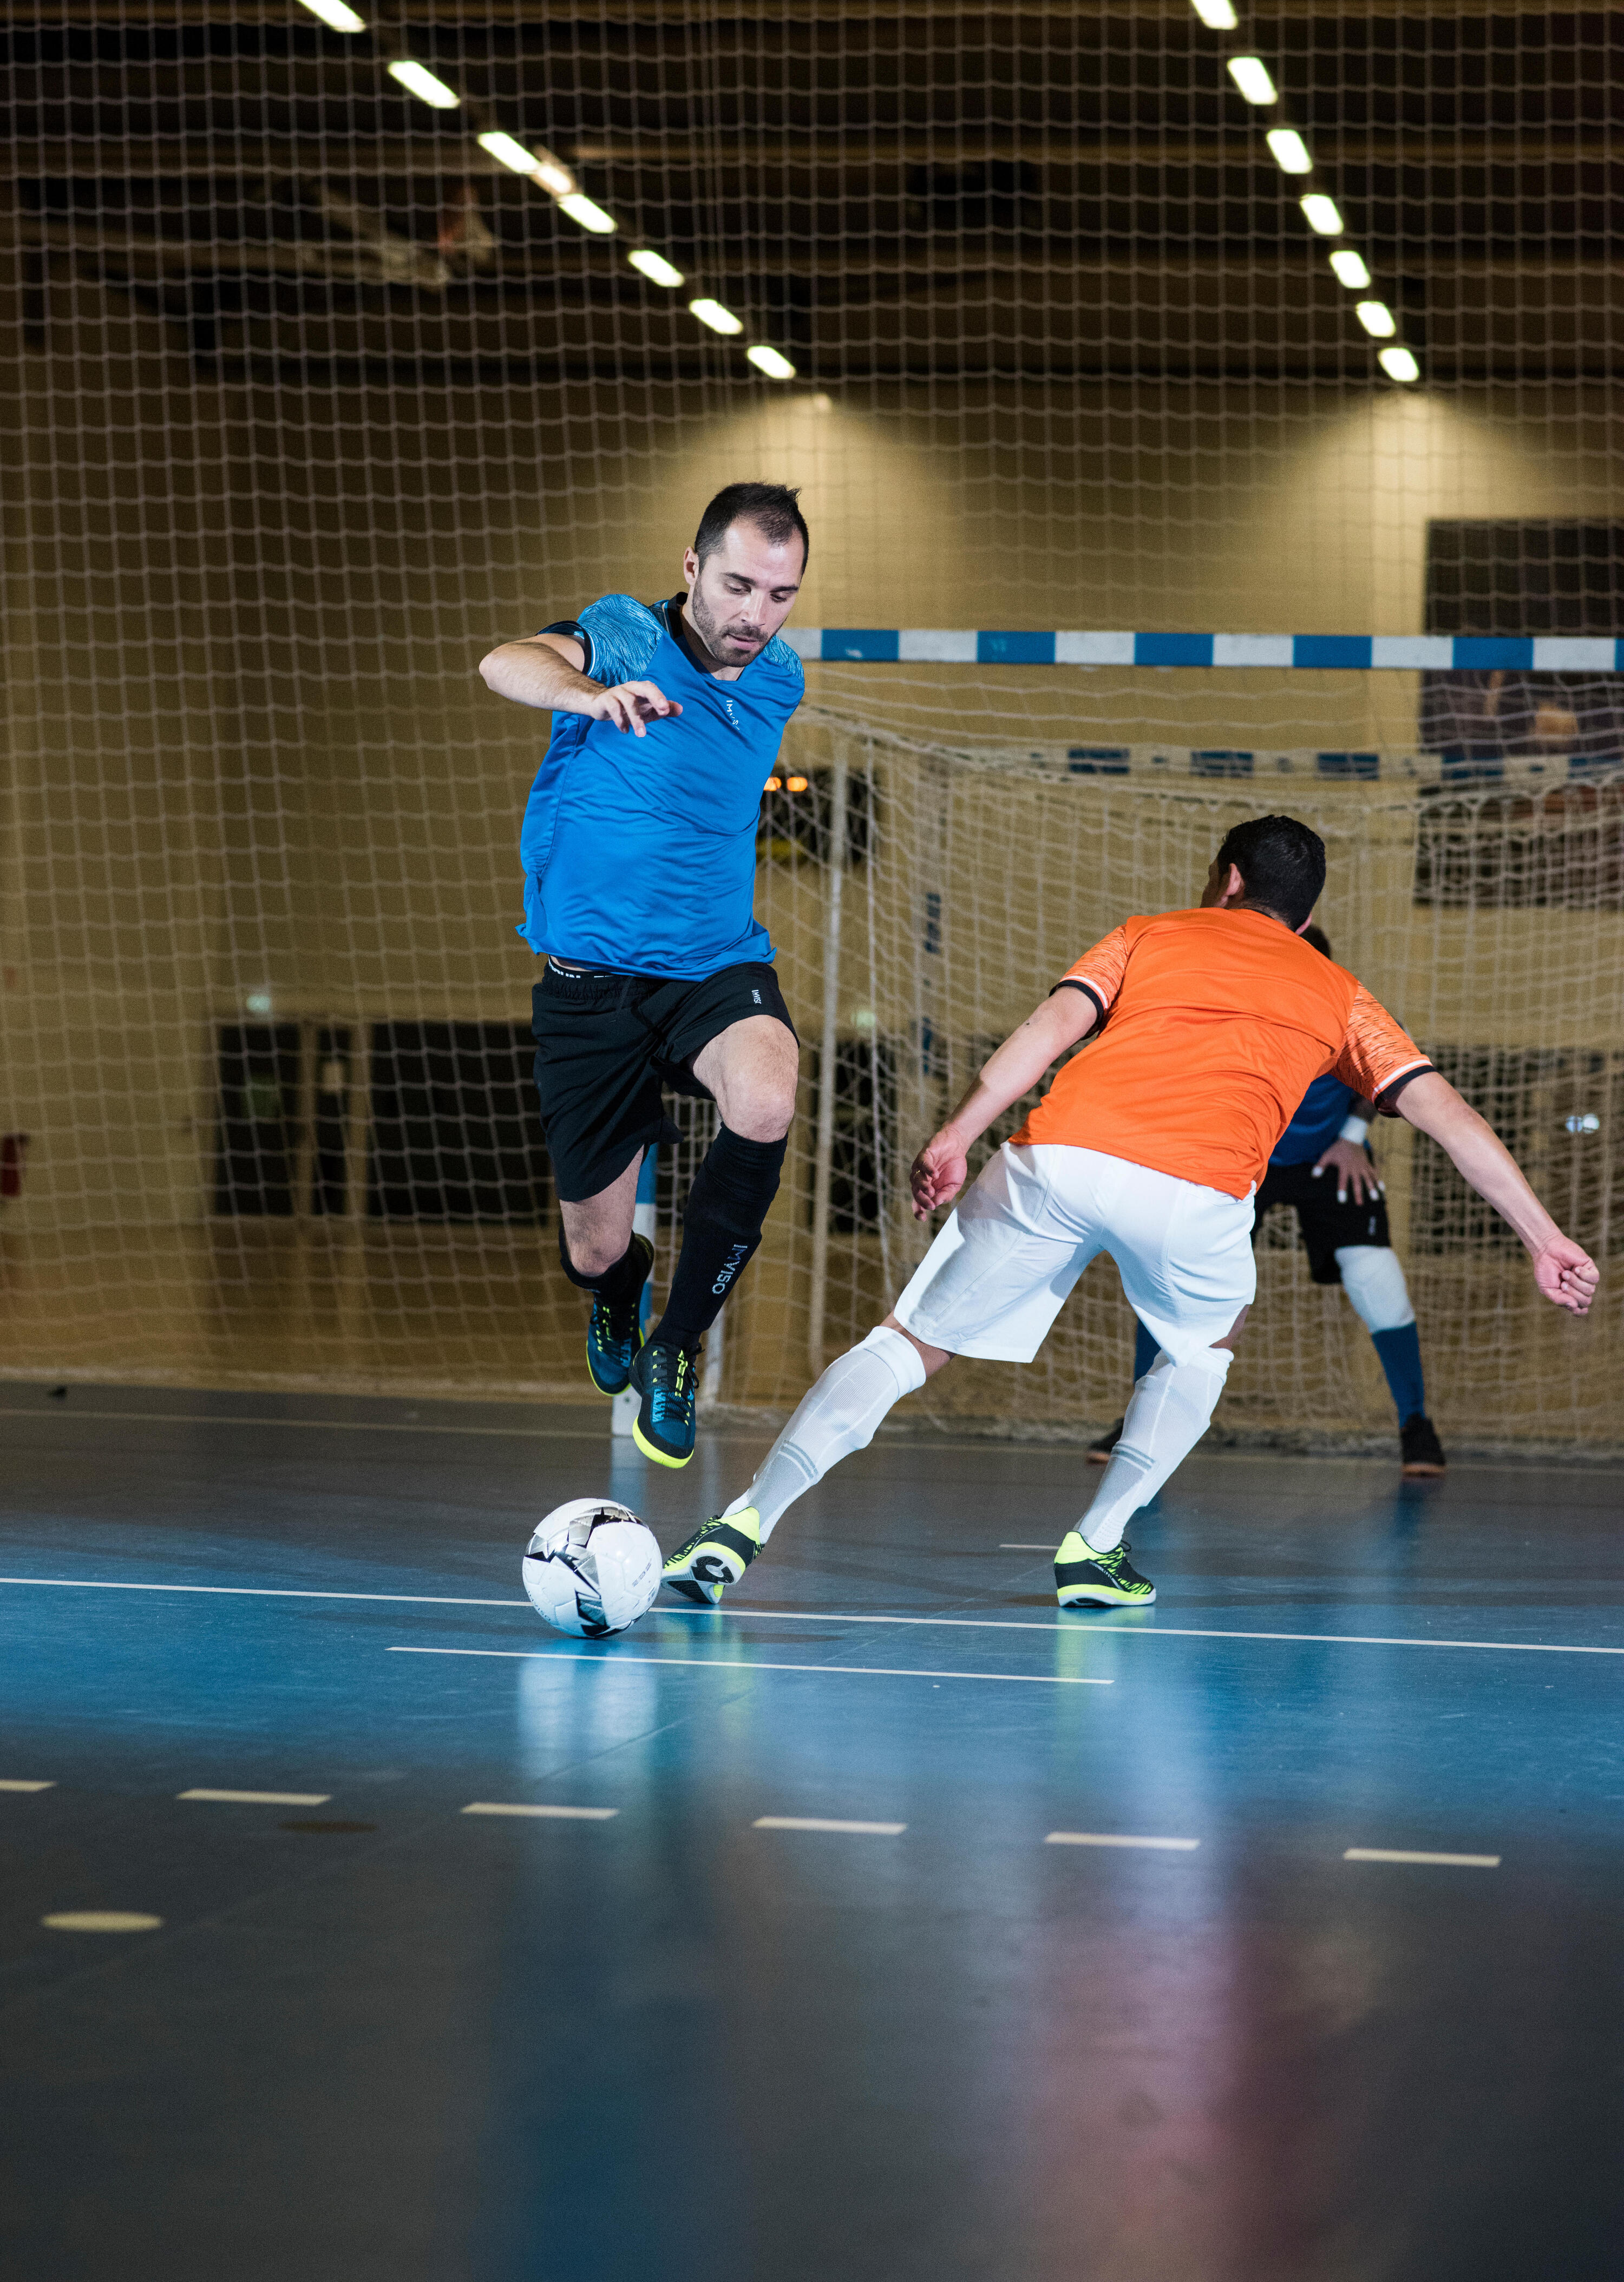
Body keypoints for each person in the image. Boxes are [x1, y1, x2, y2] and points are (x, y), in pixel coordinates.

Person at [662, 815, 1596, 1606]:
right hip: (1194, 1196)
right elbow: (1451, 1118)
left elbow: (1046, 1031)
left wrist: (957, 1133)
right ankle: (1095, 1545)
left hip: (1055, 1160)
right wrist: (1544, 1236)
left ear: (1227, 881)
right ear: (1307, 914)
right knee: (1208, 1338)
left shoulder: (1147, 933)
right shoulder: (1343, 994)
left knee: (907, 1342)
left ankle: (743, 1522)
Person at [479, 482, 809, 1468]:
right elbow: (505, 663)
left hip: (712, 967)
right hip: (587, 984)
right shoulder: (623, 633)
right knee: (591, 1248)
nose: (757, 615)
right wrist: (589, 693)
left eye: (783, 594)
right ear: (693, 570)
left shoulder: (779, 678)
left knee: (768, 1093)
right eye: (741, 585)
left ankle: (678, 1343)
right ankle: (622, 1287)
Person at [1086, 923, 1447, 1478]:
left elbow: (1397, 1071)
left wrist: (1352, 1137)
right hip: (1243, 1157)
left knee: (1374, 1276)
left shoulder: (1347, 1002)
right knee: (1177, 1279)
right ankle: (1140, 1419)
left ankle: (1416, 1423)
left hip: (1330, 1156)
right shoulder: (1234, 1005)